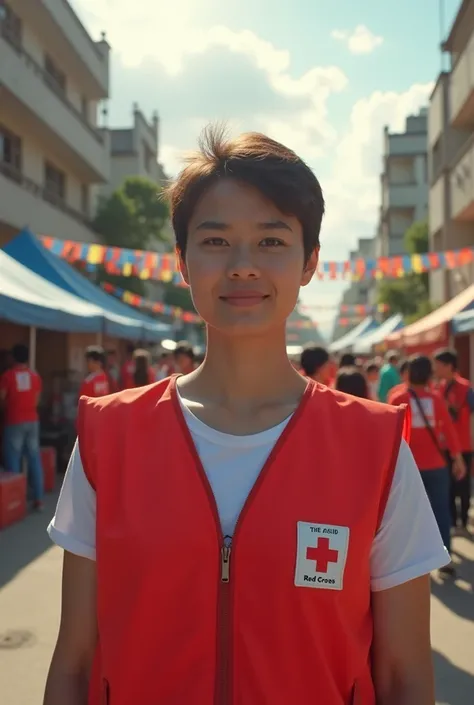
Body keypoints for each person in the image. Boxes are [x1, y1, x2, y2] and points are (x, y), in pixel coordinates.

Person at [45, 127, 447, 705]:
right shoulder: (111, 436)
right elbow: (74, 662)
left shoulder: (376, 447)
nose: (242, 266)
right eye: (215, 242)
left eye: (271, 241)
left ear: (309, 262)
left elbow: (406, 675)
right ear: (181, 262)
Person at [390, 355, 465, 578]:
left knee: (407, 514)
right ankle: (445, 556)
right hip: (437, 465)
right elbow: (449, 431)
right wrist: (457, 457)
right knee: (441, 510)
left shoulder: (397, 398)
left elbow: (390, 434)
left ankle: (411, 562)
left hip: (408, 466)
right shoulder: (436, 398)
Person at [433, 348, 474, 536]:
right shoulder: (438, 388)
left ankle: (463, 521)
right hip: (444, 446)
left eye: (439, 365)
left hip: (464, 445)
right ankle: (451, 521)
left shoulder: (466, 388)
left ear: (449, 366)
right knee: (447, 485)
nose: (436, 369)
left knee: (463, 485)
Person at [0, 344, 44, 511]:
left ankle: (15, 502)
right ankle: (38, 499)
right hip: (32, 420)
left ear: (12, 357)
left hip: (14, 421)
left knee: (13, 460)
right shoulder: (35, 376)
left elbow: (2, 399)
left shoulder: (7, 376)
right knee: (34, 458)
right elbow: (36, 400)